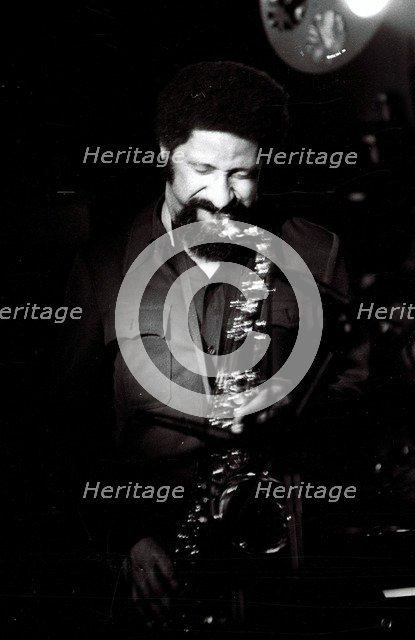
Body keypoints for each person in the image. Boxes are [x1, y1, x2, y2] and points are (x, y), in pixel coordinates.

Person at [57, 61, 367, 623]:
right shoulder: (102, 266)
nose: (222, 197)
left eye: (242, 173)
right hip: (163, 564)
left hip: (285, 566)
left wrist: (290, 410)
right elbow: (65, 425)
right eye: (202, 168)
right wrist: (127, 538)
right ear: (163, 151)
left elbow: (360, 394)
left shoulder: (318, 255)